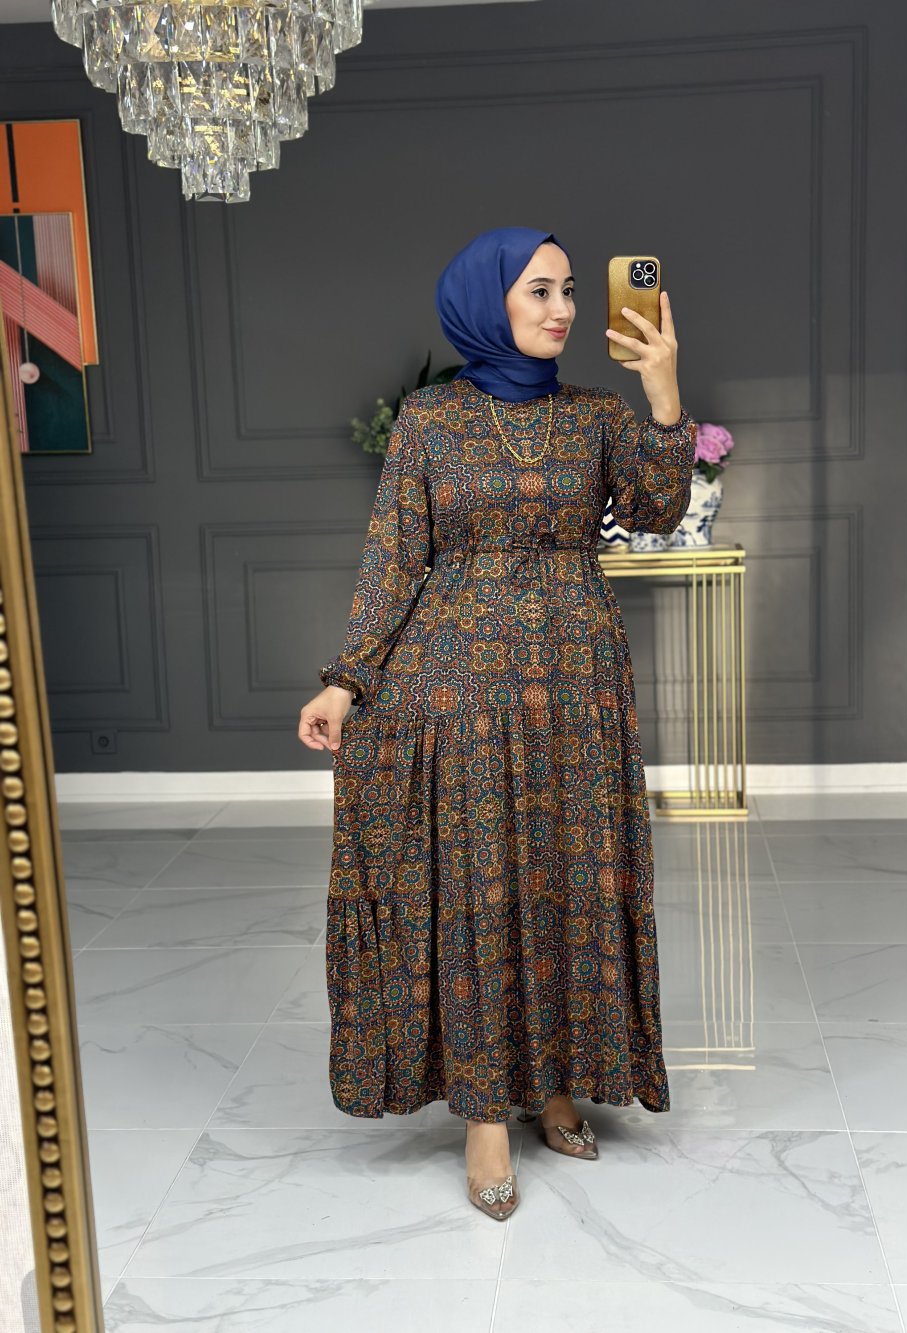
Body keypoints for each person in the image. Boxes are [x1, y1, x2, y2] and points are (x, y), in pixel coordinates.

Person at [298, 226, 696, 1221]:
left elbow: (656, 510)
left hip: (578, 686)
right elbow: (395, 556)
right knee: (480, 890)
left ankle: (556, 1082)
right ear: (488, 302)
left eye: (569, 290)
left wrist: (663, 391)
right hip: (462, 690)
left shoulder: (596, 414)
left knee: (568, 882)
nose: (563, 309)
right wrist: (345, 681)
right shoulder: (431, 419)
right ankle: (484, 1111)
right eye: (539, 291)